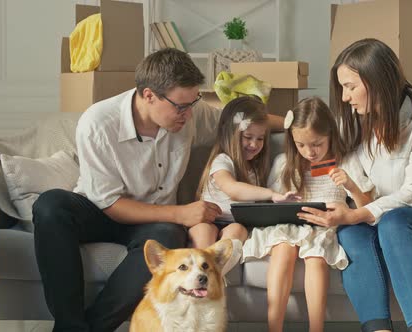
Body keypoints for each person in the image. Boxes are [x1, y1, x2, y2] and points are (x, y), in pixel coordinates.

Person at [32, 48, 283, 332]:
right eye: (181, 106)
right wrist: (181, 212)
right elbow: (109, 204)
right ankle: (69, 325)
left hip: (155, 223)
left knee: (167, 235)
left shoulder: (190, 113)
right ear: (149, 95)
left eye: (193, 103)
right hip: (101, 211)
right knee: (50, 205)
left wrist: (293, 124)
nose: (189, 114)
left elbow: (238, 121)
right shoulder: (98, 123)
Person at [297, 39, 412, 332]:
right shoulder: (357, 120)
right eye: (342, 89)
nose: (345, 97)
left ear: (374, 80)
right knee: (351, 232)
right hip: (381, 214)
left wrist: (358, 213)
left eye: (350, 86)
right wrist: (350, 208)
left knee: (393, 223)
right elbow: (361, 194)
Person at [242, 96, 369, 332]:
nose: (309, 152)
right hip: (290, 224)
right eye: (301, 145)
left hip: (323, 226)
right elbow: (269, 202)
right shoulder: (284, 163)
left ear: (330, 134)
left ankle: (316, 328)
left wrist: (351, 186)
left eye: (316, 144)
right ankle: (274, 327)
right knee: (282, 249)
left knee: (316, 256)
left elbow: (367, 207)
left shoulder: (346, 162)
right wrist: (282, 198)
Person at [192, 96, 298, 249]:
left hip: (236, 224)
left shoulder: (255, 168)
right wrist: (271, 194)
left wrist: (296, 125)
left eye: (260, 138)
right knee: (203, 231)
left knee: (238, 230)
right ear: (231, 135)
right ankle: (204, 268)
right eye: (248, 137)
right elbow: (232, 189)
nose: (254, 144)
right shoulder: (222, 160)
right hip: (208, 221)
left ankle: (215, 270)